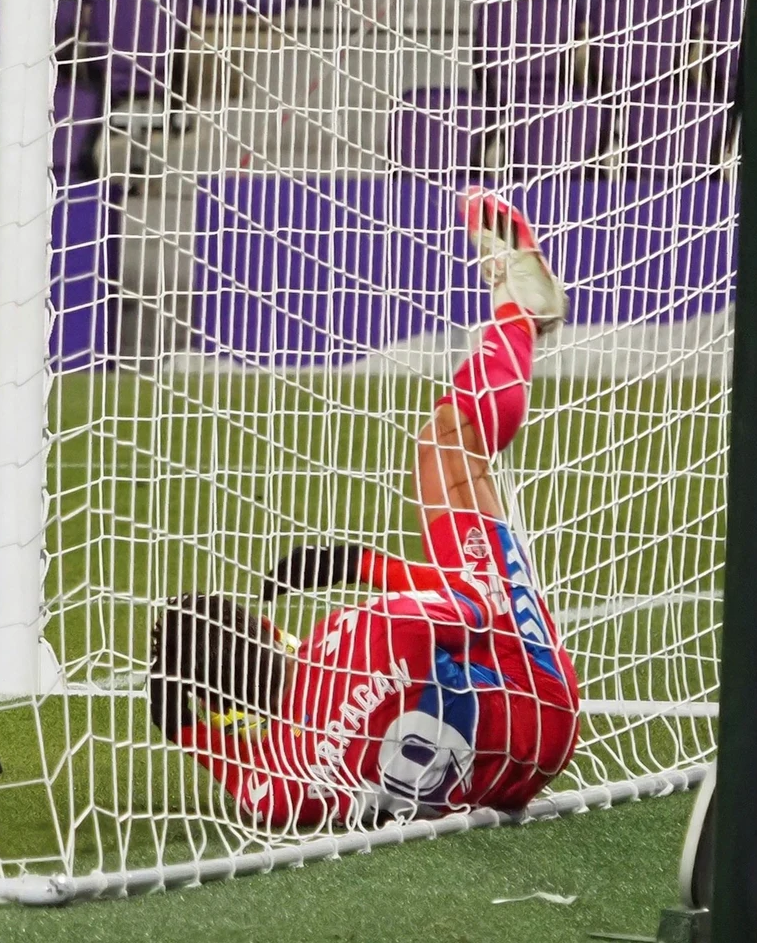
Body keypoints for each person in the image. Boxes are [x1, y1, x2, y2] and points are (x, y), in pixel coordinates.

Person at [149, 186, 580, 826]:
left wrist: (187, 732)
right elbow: (477, 606)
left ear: (221, 709)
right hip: (543, 707)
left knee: (464, 514)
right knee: (446, 448)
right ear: (267, 629)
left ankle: (520, 311)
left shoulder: (281, 776)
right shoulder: (350, 638)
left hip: (503, 783)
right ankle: (519, 312)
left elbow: (252, 793)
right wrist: (363, 564)